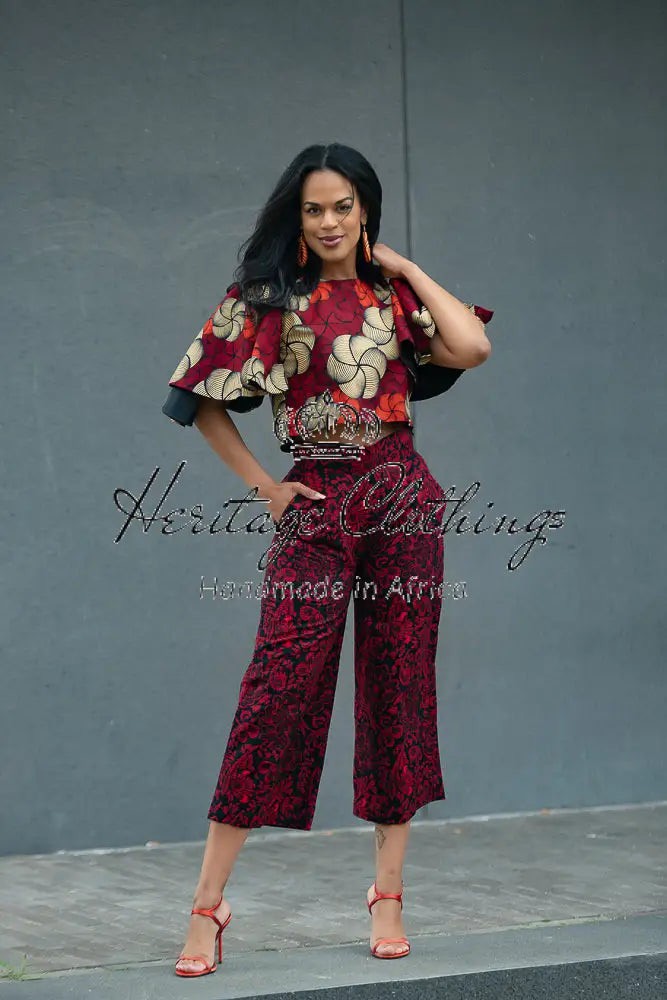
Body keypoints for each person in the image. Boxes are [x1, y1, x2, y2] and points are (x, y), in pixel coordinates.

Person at [162, 142, 493, 978]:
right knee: (276, 691)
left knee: (399, 686)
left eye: (343, 205)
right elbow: (198, 400)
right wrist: (265, 487)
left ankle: (387, 896)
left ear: (364, 209)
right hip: (315, 503)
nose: (329, 221)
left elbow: (471, 347)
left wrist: (402, 265)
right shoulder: (266, 299)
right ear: (296, 217)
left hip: (403, 499)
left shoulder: (392, 295)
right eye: (313, 209)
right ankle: (207, 903)